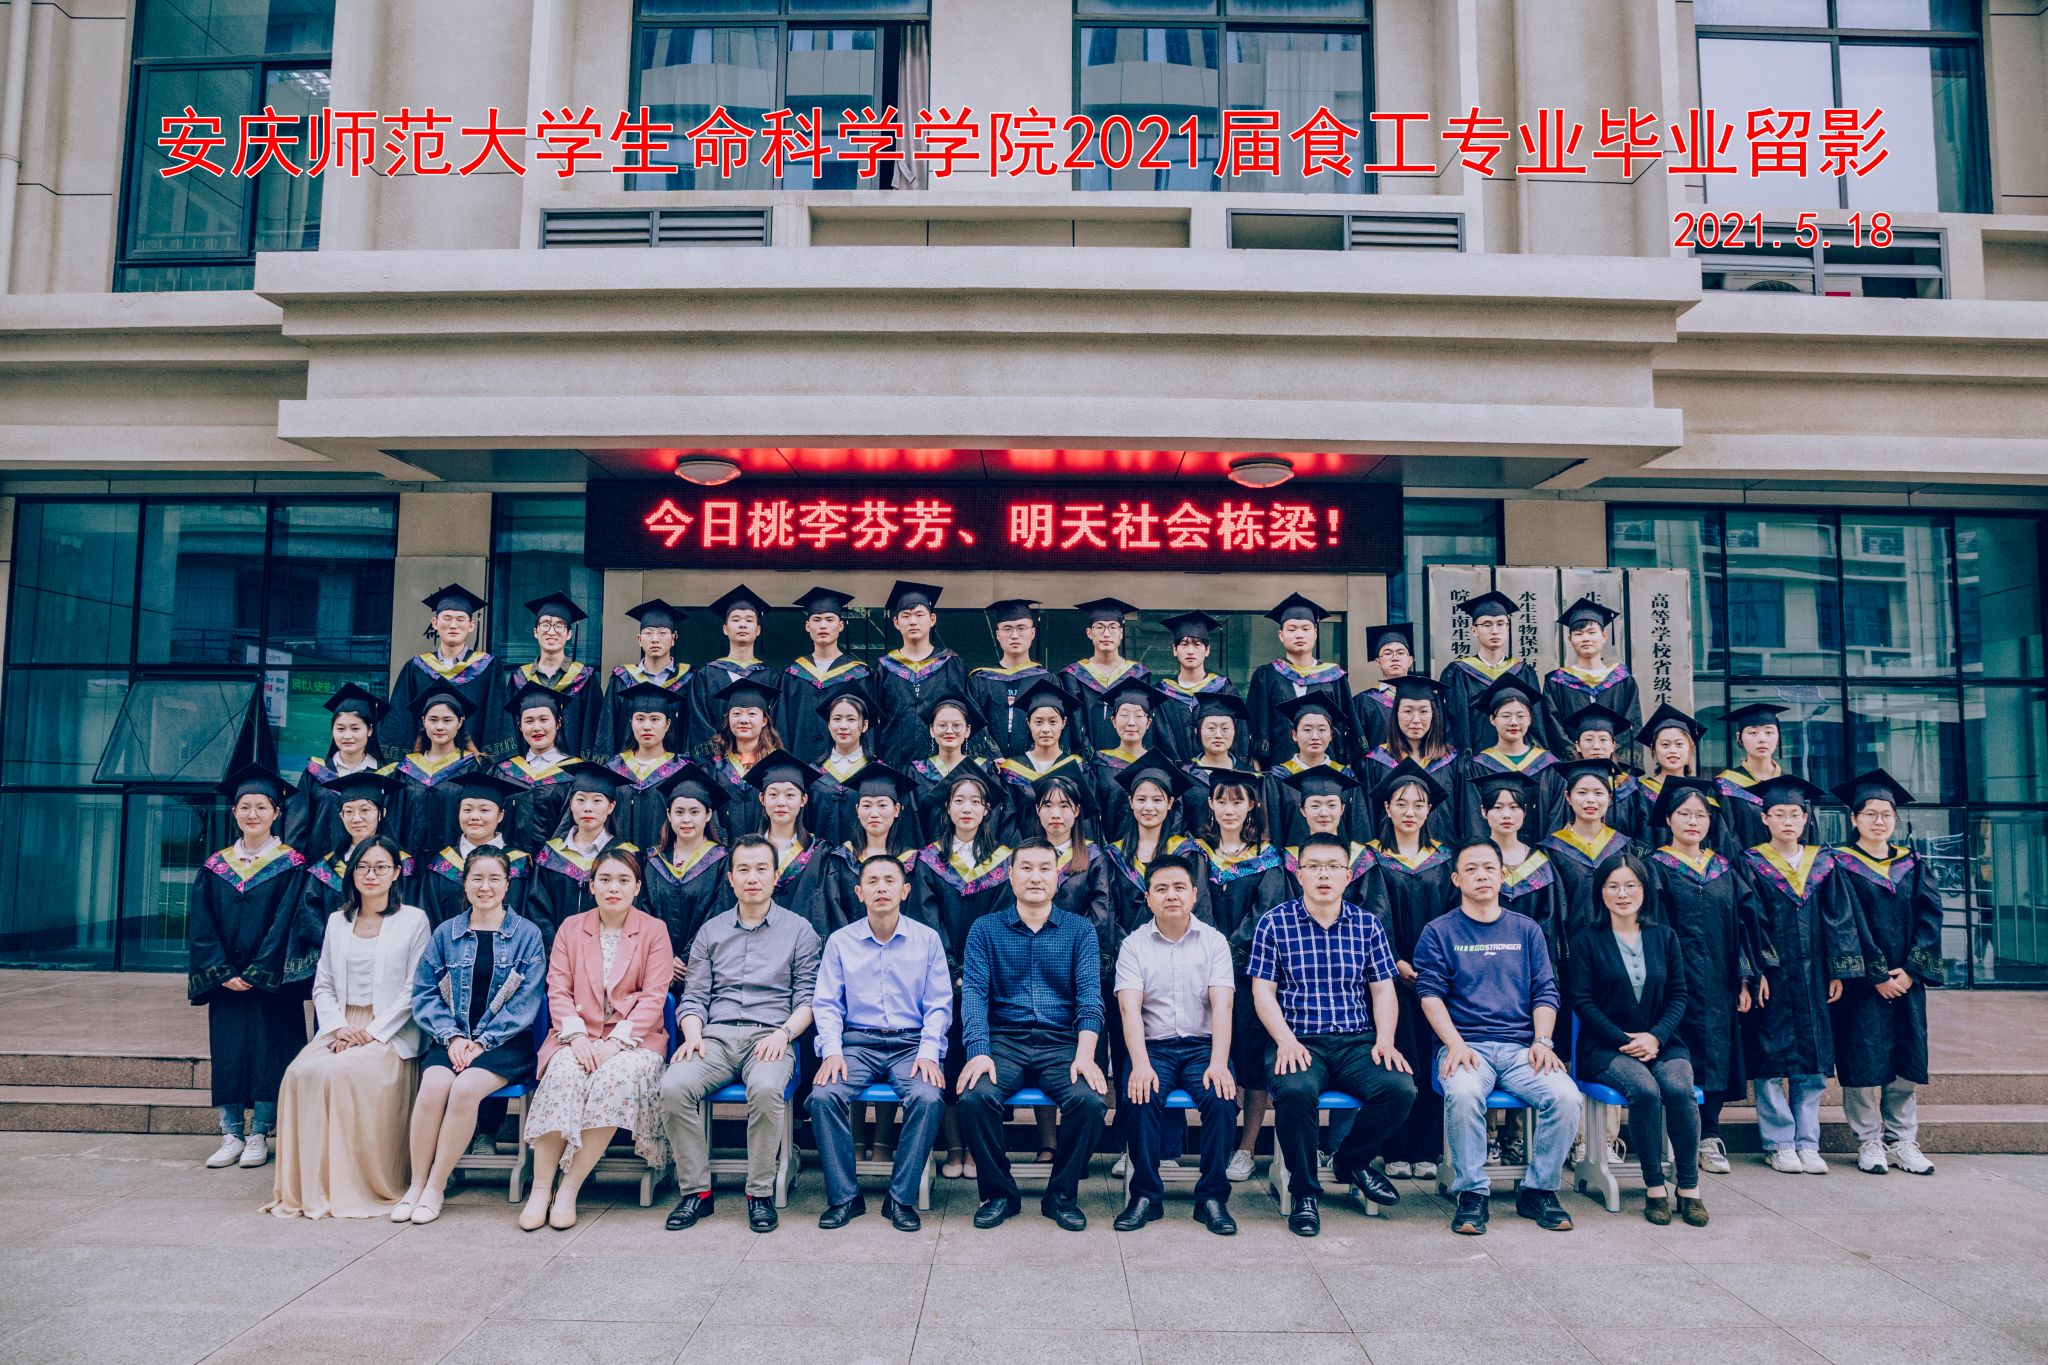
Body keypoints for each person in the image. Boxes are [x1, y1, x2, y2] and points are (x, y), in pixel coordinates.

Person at [1248, 832, 1415, 1236]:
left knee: (1400, 1089)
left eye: (1333, 867)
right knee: (1295, 1091)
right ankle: (1305, 1193)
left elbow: (1383, 990)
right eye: (1314, 866)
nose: (1324, 875)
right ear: (1299, 873)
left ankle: (1350, 1161)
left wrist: (1385, 1039)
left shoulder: (1367, 925)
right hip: (1299, 1040)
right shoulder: (1275, 923)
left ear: (1348, 874)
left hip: (1357, 1040)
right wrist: (1285, 1040)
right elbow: (1262, 992)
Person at [1414, 840, 1582, 1236]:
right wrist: (1454, 1044)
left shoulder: (1526, 930)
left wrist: (1543, 1040)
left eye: (1489, 868)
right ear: (1456, 879)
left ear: (1502, 875)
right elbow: (1429, 995)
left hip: (1522, 1048)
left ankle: (1539, 1189)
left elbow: (1545, 991)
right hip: (1466, 1047)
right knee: (1464, 1093)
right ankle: (1472, 1193)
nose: (1481, 876)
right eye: (1471, 869)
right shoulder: (1439, 932)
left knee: (1566, 1096)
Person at [660, 835, 822, 1234]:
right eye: (743, 870)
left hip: (771, 1037)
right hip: (713, 1038)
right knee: (673, 1087)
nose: (753, 878)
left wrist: (784, 1035)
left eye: (761, 869)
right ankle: (696, 1192)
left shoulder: (799, 931)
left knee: (765, 1090)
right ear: (730, 878)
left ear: (775, 876)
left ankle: (759, 1193)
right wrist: (692, 1035)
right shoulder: (711, 932)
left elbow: (808, 1000)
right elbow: (694, 997)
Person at [267, 837, 432, 1220]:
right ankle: (311, 1186)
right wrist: (339, 1028)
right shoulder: (337, 921)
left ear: (396, 873)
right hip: (342, 1027)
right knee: (300, 1073)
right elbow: (322, 984)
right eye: (363, 867)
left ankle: (353, 1184)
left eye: (380, 867)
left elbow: (415, 987)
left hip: (390, 1031)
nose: (371, 874)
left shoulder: (413, 920)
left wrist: (373, 1033)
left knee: (342, 1074)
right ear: (352, 873)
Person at [955, 839, 1110, 1231]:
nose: (1035, 877)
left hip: (1061, 1043)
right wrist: (979, 1050)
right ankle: (999, 1194)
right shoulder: (985, 929)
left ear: (1057, 877)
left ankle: (1061, 1195)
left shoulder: (1079, 930)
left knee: (1090, 1102)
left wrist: (1085, 1053)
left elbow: (1090, 999)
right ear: (1011, 876)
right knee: (974, 1098)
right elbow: (974, 996)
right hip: (1003, 1041)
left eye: (1044, 868)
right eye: (1026, 868)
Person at [519, 849, 673, 1231]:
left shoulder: (653, 931)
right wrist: (576, 1038)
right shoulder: (572, 928)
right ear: (591, 886)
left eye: (623, 880)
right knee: (563, 1076)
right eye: (604, 879)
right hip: (576, 1034)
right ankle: (541, 1188)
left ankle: (569, 1188)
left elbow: (654, 996)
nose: (613, 888)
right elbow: (558, 988)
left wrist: (615, 1044)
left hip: (634, 1040)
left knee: (613, 1080)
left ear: (637, 887)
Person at [403, 847, 548, 1224]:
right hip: (452, 1039)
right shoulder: (446, 933)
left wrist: (481, 1042)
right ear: (465, 883)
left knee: (465, 1089)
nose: (485, 887)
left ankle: (435, 1187)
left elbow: (525, 1003)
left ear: (507, 884)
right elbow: (424, 993)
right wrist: (452, 1037)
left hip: (505, 1044)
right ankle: (416, 1185)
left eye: (494, 879)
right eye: (477, 879)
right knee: (433, 1086)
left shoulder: (526, 935)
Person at [808, 854, 953, 1231]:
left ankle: (900, 1198)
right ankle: (845, 1197)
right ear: (859, 892)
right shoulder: (841, 942)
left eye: (890, 880)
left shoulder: (927, 940)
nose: (881, 888)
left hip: (911, 1045)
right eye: (872, 881)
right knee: (823, 1096)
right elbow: (826, 1003)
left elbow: (939, 1004)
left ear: (905, 891)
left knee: (928, 1097)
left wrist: (929, 1052)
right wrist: (832, 1051)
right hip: (857, 1044)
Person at [189, 764, 317, 1171]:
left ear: (277, 812)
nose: (253, 814)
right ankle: (230, 1132)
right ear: (234, 812)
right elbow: (202, 925)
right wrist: (221, 972)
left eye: (262, 807)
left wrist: (261, 971)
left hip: (271, 983)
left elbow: (287, 923)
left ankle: (261, 1132)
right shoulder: (216, 866)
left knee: (270, 1053)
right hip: (226, 982)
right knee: (228, 1052)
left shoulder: (291, 865)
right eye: (245, 807)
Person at [1568, 853, 1707, 1226]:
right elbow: (1582, 1001)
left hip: (1663, 1043)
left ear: (1645, 891)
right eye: (1613, 886)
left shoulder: (1665, 937)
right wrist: (1623, 1038)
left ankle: (1689, 1187)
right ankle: (1655, 1187)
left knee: (1679, 1089)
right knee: (1644, 1091)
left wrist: (1655, 1037)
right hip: (1605, 1047)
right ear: (1600, 893)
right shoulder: (1586, 941)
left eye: (1631, 885)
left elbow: (1679, 995)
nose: (1622, 893)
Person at [1742, 774, 1864, 1175]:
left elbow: (1839, 919)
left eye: (1794, 814)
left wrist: (1838, 969)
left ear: (1805, 817)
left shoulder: (1824, 862)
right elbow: (1749, 921)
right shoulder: (1751, 862)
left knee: (1812, 1060)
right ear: (1765, 818)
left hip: (1814, 976)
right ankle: (1779, 1142)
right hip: (1774, 977)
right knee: (1770, 1060)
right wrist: (1757, 970)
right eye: (1779, 814)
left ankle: (1808, 1142)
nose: (1788, 821)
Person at [1644, 776, 1765, 1177]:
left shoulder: (1724, 869)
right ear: (1669, 819)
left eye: (1700, 815)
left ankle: (1708, 1134)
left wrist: (1745, 978)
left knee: (1716, 1054)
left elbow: (1744, 925)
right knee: (1677, 1053)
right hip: (1672, 982)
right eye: (1684, 814)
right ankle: (1675, 1133)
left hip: (1719, 981)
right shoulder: (1655, 867)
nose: (1693, 822)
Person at [1113, 854, 1240, 1235]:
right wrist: (1139, 1064)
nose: (1171, 895)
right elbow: (1129, 1009)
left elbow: (1223, 1006)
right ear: (1148, 898)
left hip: (1203, 1047)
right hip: (1154, 1048)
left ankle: (1212, 1198)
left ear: (1194, 895)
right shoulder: (1133, 945)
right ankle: (1145, 1196)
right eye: (1162, 888)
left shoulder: (1214, 942)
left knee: (1221, 1098)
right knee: (1139, 1096)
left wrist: (1219, 1062)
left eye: (1179, 887)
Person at [1829, 768, 1941, 1176]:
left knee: (1905, 1059)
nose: (1879, 821)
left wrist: (1911, 971)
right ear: (1854, 818)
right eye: (1870, 814)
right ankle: (1868, 1140)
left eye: (1886, 814)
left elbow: (1930, 919)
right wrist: (1876, 974)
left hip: (1907, 982)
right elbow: (1844, 923)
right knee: (1861, 1060)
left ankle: (1902, 1139)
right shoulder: (1839, 864)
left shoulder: (1912, 863)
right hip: (1863, 984)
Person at [909, 764, 1016, 1179]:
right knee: (948, 1057)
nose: (967, 808)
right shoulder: (929, 860)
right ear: (948, 808)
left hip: (990, 978)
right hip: (942, 977)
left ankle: (978, 1148)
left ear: (987, 809)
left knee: (984, 1057)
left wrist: (976, 973)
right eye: (959, 801)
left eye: (975, 801)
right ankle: (954, 1147)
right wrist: (952, 970)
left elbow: (1002, 920)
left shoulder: (1005, 860)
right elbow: (927, 918)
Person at [1191, 768, 1286, 1184]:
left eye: (1237, 800)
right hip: (1200, 970)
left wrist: (1229, 953)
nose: (1229, 808)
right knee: (1211, 1054)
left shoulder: (1269, 858)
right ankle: (1217, 1143)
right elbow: (1194, 905)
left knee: (1251, 1060)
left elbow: (1266, 913)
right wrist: (1212, 953)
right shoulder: (1196, 853)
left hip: (1250, 975)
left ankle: (1246, 1147)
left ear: (1252, 805)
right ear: (1211, 804)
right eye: (1221, 800)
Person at [1367, 762, 1454, 1181]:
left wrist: (1435, 969)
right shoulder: (1371, 859)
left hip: (1437, 980)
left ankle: (1427, 1149)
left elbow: (1455, 917)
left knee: (1435, 1056)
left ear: (1429, 810)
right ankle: (1394, 1149)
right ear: (1387, 807)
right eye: (1401, 803)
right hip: (1389, 979)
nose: (1410, 811)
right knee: (1397, 1056)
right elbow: (1372, 918)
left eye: (1419, 804)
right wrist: (1395, 961)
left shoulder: (1445, 859)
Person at [381, 583, 505, 755]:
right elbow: (400, 717)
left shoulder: (487, 667)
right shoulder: (417, 668)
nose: (453, 625)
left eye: (460, 619)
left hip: (472, 763)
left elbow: (496, 718)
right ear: (435, 623)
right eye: (447, 618)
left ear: (471, 625)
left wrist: (488, 763)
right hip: (425, 763)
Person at [639, 764, 735, 982]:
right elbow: (644, 912)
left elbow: (720, 913)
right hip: (655, 966)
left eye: (694, 812)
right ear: (669, 815)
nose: (686, 820)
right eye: (679, 812)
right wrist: (664, 956)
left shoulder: (722, 860)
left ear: (708, 814)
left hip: (706, 967)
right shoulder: (653, 861)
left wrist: (687, 958)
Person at [528, 761, 634, 951]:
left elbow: (633, 908)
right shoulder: (550, 854)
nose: (588, 808)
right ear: (571, 804)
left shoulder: (626, 855)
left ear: (611, 807)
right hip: (558, 953)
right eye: (580, 800)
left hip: (609, 954)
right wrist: (556, 949)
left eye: (597, 801)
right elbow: (538, 909)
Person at [1359, 675, 1476, 847]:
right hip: (1389, 858)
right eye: (1408, 711)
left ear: (1434, 714)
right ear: (1396, 714)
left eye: (1423, 711)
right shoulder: (1376, 761)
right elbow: (1366, 819)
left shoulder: (1451, 761)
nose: (1416, 720)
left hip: (1443, 857)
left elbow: (1468, 816)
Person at [282, 683, 390, 863]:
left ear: (369, 730)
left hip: (370, 869)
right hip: (320, 869)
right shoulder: (315, 773)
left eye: (355, 728)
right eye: (340, 728)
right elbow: (297, 827)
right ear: (332, 731)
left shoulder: (385, 775)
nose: (347, 736)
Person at [1540, 759, 1644, 942]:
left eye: (1598, 793)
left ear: (1609, 798)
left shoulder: (1623, 846)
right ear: (1568, 797)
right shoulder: (1552, 850)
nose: (1590, 800)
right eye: (1582, 792)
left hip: (1619, 945)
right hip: (1573, 946)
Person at [812, 762, 920, 936]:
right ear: (857, 810)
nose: (874, 813)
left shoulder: (912, 862)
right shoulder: (841, 860)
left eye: (882, 805)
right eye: (867, 805)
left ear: (896, 810)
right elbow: (833, 913)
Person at [873, 581, 971, 769]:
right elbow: (875, 720)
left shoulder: (951, 664)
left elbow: (967, 713)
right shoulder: (884, 667)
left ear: (932, 619)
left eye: (919, 615)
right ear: (896, 622)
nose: (913, 622)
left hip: (940, 764)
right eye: (906, 616)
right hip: (893, 760)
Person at [1245, 593, 1350, 768]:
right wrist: (1258, 764)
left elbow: (1345, 723)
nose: (1299, 635)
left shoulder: (1333, 676)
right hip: (1279, 766)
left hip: (1326, 767)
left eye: (1306, 629)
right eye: (1292, 629)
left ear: (1315, 633)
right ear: (1281, 635)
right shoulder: (1267, 675)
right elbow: (1256, 723)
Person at [412, 772, 530, 927]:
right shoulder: (441, 865)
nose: (474, 816)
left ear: (500, 815)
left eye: (484, 810)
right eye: (467, 810)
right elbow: (429, 919)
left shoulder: (519, 863)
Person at [298, 770, 414, 925]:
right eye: (348, 811)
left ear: (382, 813)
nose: (356, 818)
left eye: (365, 810)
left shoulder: (401, 865)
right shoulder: (326, 868)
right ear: (341, 816)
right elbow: (309, 924)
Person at [1437, 590, 1545, 755]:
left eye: (1500, 624)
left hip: (1517, 759)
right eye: (1487, 624)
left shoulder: (1523, 672)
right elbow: (1453, 722)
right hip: (1474, 759)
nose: (1495, 631)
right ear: (1474, 630)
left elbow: (1536, 722)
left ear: (1508, 628)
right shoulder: (1459, 672)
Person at [387, 688, 486, 861]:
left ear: (460, 722)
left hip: (455, 864)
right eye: (433, 720)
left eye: (447, 720)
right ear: (423, 721)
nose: (439, 726)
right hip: (410, 864)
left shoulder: (472, 767)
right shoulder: (407, 768)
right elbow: (394, 821)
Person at [777, 586, 873, 766]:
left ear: (840, 625)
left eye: (829, 619)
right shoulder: (793, 675)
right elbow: (782, 725)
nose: (823, 625)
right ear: (808, 626)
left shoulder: (859, 674)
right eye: (817, 619)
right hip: (800, 766)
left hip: (846, 769)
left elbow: (869, 729)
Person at [685, 585, 779, 757]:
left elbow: (777, 722)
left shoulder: (772, 676)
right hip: (717, 763)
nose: (742, 624)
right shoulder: (707, 675)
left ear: (758, 630)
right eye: (736, 619)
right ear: (725, 628)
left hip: (761, 760)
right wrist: (720, 760)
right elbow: (698, 723)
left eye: (749, 620)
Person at [992, 678, 1089, 842]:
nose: (1046, 729)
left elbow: (1084, 822)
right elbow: (1009, 823)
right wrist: (1024, 854)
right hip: (1025, 854)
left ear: (1063, 723)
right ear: (1028, 723)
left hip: (1068, 853)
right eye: (1038, 722)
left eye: (1053, 722)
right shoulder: (1011, 770)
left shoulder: (1078, 767)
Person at [1465, 674, 1564, 835]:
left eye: (1520, 716)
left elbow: (1557, 819)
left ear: (1530, 719)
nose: (1514, 722)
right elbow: (1474, 818)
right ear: (1492, 719)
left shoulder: (1549, 766)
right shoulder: (1477, 767)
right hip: (1492, 849)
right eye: (1505, 716)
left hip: (1541, 850)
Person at [509, 592, 601, 760]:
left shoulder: (585, 678)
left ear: (569, 634)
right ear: (536, 632)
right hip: (528, 767)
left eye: (559, 625)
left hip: (572, 767)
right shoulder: (519, 678)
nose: (551, 631)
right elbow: (511, 726)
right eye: (545, 624)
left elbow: (593, 727)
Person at [1542, 597, 1640, 754]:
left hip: (1614, 765)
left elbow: (1632, 723)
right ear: (1570, 639)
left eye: (1592, 632)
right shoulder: (1556, 682)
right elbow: (1553, 727)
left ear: (1604, 636)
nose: (1586, 638)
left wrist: (1612, 758)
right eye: (1578, 634)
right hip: (1571, 766)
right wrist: (1576, 757)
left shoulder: (1622, 680)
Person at [598, 599, 694, 758]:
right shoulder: (622, 679)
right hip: (627, 767)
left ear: (673, 639)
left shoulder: (689, 680)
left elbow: (693, 730)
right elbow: (607, 727)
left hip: (677, 767)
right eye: (648, 633)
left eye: (662, 633)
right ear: (639, 639)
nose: (655, 639)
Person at [1265, 693, 1363, 846]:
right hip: (1291, 859)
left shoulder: (1345, 776)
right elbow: (1273, 829)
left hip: (1339, 858)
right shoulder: (1277, 777)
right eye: (1307, 730)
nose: (1315, 736)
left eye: (1322, 730)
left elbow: (1358, 828)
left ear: (1331, 735)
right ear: (1294, 735)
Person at [1059, 597, 1151, 758]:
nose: (1106, 634)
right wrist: (1088, 757)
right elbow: (1073, 722)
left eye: (1113, 627)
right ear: (1089, 633)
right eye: (1099, 627)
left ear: (1121, 633)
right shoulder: (1074, 675)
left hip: (1129, 760)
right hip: (1086, 760)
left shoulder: (1138, 674)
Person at [604, 681, 690, 850]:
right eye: (640, 719)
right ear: (631, 722)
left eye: (655, 719)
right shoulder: (613, 768)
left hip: (664, 859)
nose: (647, 726)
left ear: (667, 724)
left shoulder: (681, 770)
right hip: (619, 860)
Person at [1152, 611, 1240, 767]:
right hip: (1173, 773)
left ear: (1207, 650)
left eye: (1197, 644)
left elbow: (1239, 734)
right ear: (1175, 649)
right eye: (1184, 644)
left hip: (1218, 772)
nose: (1190, 651)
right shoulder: (1161, 692)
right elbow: (1158, 737)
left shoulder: (1224, 688)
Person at [497, 680, 576, 852]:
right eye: (529, 721)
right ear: (520, 727)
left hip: (556, 862)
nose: (536, 727)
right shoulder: (504, 771)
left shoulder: (574, 772)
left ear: (558, 722)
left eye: (544, 719)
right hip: (510, 863)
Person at [970, 598, 1050, 760]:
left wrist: (1030, 759)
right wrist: (993, 756)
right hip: (990, 767)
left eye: (1021, 628)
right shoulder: (980, 680)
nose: (1014, 635)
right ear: (998, 634)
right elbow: (973, 722)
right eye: (1007, 629)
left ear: (1033, 633)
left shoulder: (1046, 680)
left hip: (1034, 767)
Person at [705, 677, 784, 837]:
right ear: (728, 719)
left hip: (765, 847)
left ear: (764, 720)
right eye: (736, 714)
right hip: (722, 846)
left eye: (752, 714)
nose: (743, 720)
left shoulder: (776, 763)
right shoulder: (714, 763)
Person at [1713, 702, 1791, 856]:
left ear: (1778, 737)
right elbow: (1725, 841)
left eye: (1769, 732)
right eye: (1753, 733)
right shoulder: (1726, 786)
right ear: (1739, 738)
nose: (1762, 739)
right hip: (1743, 868)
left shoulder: (1791, 786)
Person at [908, 693, 987, 839]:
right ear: (932, 730)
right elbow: (912, 823)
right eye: (942, 725)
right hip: (930, 851)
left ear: (967, 730)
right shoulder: (917, 772)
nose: (949, 731)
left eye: (956, 725)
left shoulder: (984, 770)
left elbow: (992, 820)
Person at [807, 693, 880, 849]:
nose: (843, 726)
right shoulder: (812, 773)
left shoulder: (878, 771)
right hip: (819, 858)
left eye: (851, 719)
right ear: (828, 724)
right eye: (837, 719)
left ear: (865, 725)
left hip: (864, 858)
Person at [1176, 691, 1253, 836]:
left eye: (1225, 728)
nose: (1218, 735)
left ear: (1235, 731)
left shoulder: (1249, 775)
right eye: (1211, 728)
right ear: (1197, 730)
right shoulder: (1184, 775)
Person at [1634, 703, 1707, 847]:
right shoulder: (1639, 793)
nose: (1673, 751)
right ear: (1654, 750)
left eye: (1679, 744)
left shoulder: (1704, 792)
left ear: (1690, 749)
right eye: (1665, 745)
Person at [1350, 621, 1417, 754]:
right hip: (1378, 766)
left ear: (1410, 660)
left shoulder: (1427, 699)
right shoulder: (1364, 701)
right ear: (1378, 662)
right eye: (1387, 653)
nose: (1395, 658)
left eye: (1400, 653)